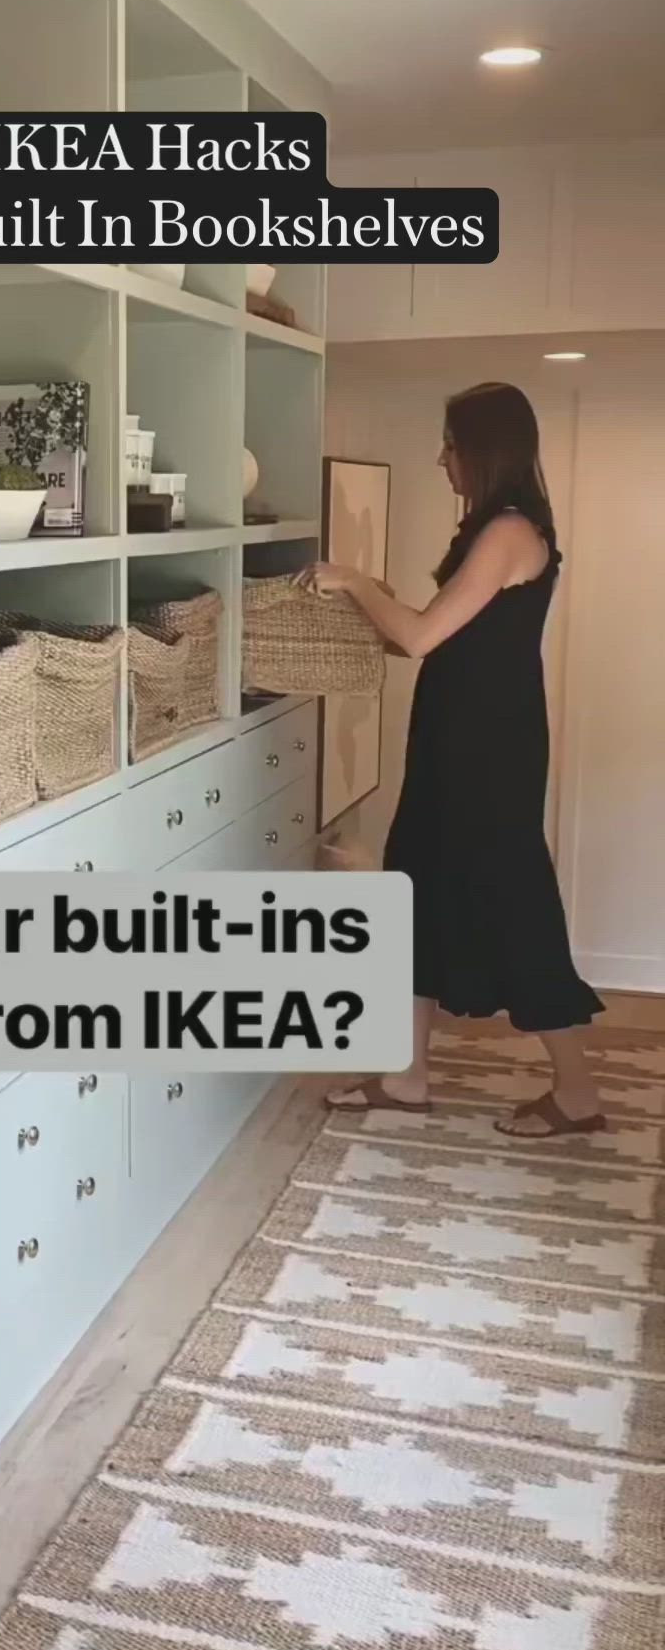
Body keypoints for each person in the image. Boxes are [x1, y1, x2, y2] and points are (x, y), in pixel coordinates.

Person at [301, 380, 605, 1139]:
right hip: (457, 739)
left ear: (484, 451)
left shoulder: (507, 529)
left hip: (486, 751)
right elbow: (449, 634)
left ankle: (576, 1094)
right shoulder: (492, 530)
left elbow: (420, 637)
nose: (442, 458)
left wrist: (357, 581)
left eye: (451, 444)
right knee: (415, 893)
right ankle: (407, 1077)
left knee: (514, 905)